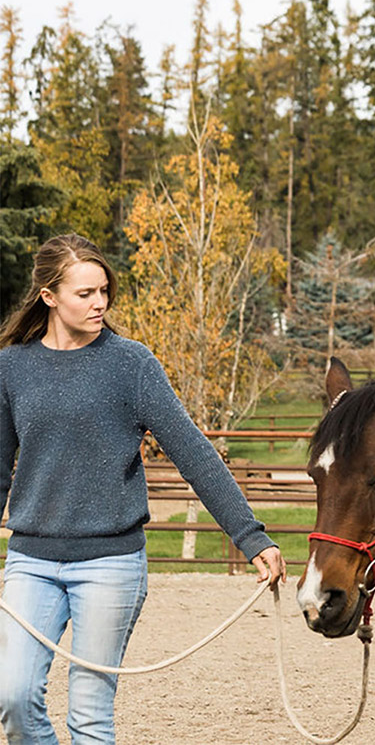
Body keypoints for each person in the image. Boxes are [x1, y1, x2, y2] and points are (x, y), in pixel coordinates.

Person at [0, 234, 287, 744]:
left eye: (104, 290)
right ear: (48, 296)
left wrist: (252, 536)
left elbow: (195, 453)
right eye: (84, 293)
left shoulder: (131, 364)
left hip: (111, 563)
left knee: (89, 716)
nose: (100, 303)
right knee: (13, 697)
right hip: (32, 560)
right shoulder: (11, 366)